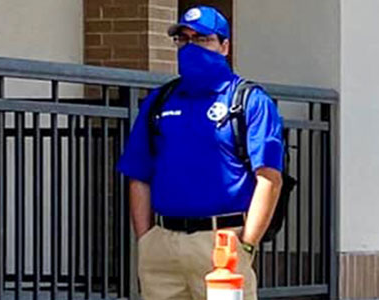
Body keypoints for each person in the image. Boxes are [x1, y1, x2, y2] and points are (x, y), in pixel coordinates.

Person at [118, 6, 284, 300]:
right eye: (184, 39)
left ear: (224, 46)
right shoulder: (159, 101)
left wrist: (246, 245)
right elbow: (138, 174)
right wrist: (146, 240)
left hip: (223, 242)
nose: (191, 47)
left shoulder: (248, 100)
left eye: (202, 39)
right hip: (163, 244)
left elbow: (269, 178)